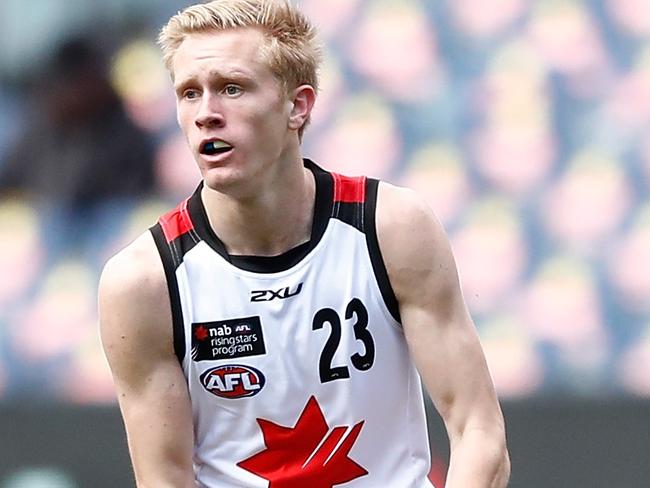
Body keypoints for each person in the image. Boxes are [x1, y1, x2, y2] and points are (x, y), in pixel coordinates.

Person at [98, 1, 510, 487]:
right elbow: (164, 479)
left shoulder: (390, 227)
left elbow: (478, 430)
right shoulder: (144, 282)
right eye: (190, 93)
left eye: (232, 88)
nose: (207, 114)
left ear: (299, 105)